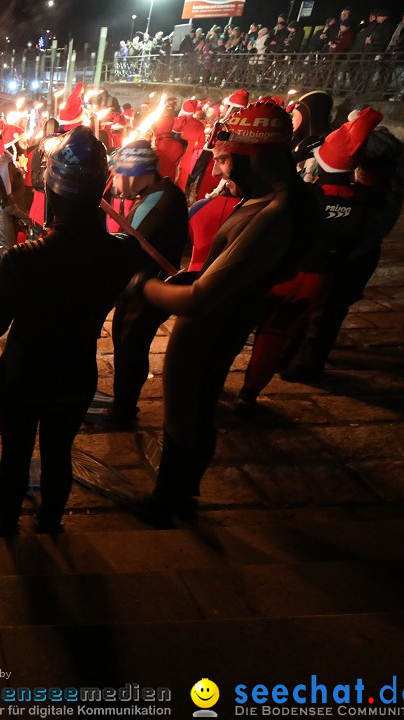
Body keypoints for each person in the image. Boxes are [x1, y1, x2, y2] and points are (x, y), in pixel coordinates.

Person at [133, 101, 318, 527]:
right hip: (230, 315)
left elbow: (199, 298)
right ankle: (183, 491)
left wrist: (145, 288)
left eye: (224, 160)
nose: (219, 171)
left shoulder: (274, 214)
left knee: (184, 409)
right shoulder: (276, 197)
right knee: (199, 405)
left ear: (251, 156)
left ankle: (166, 501)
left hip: (211, 322)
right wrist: (198, 272)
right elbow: (231, 269)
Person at [0, 126, 142, 535]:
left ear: (51, 191)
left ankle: (9, 523)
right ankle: (50, 522)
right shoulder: (124, 251)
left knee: (15, 454)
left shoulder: (22, 260)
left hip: (24, 373)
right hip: (76, 368)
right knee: (58, 452)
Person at [240, 108, 383, 409]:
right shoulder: (361, 200)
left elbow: (269, 187)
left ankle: (233, 388)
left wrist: (292, 159)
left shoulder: (307, 195)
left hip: (286, 275)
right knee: (277, 336)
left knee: (251, 331)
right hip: (321, 281)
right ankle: (250, 394)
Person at [99, 141, 189, 429]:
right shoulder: (160, 192)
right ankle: (124, 404)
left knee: (130, 346)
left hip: (147, 290)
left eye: (118, 174)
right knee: (129, 345)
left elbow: (129, 248)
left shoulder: (158, 201)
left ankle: (123, 411)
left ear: (135, 172)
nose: (115, 182)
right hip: (143, 285)